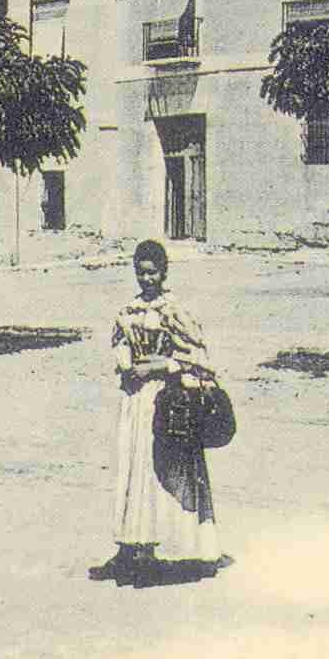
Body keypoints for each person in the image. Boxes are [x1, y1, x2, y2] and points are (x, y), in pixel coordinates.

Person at [90, 239, 221, 586]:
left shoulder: (173, 310)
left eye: (152, 273)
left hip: (166, 400)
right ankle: (134, 546)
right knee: (136, 470)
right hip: (135, 400)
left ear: (163, 273)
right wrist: (126, 363)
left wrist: (161, 365)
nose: (146, 279)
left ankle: (178, 549)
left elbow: (200, 356)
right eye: (141, 272)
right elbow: (119, 343)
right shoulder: (130, 310)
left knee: (163, 470)